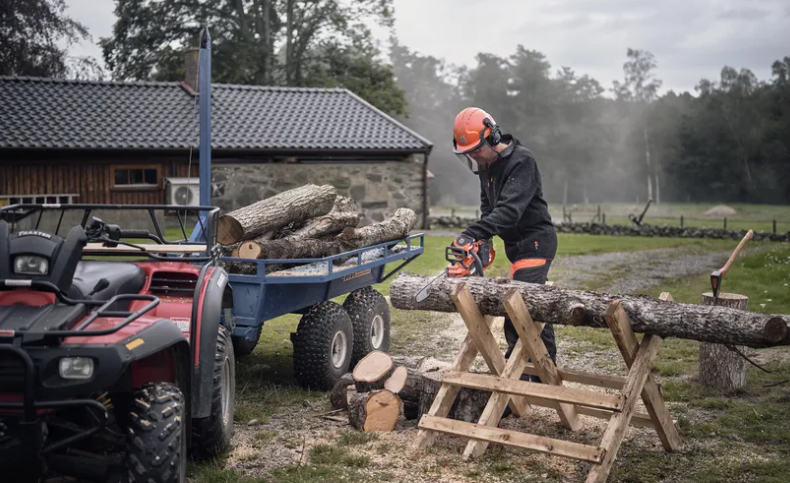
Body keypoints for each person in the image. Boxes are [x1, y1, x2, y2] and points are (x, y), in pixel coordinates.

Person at [449, 107, 558, 373]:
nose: (474, 156)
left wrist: (472, 234)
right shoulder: (486, 167)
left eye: (476, 150)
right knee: (532, 305)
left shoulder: (522, 161)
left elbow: (509, 212)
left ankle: (519, 371)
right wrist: (482, 242)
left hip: (534, 240)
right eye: (468, 153)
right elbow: (489, 209)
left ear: (493, 137)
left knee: (519, 308)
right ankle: (543, 370)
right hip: (515, 246)